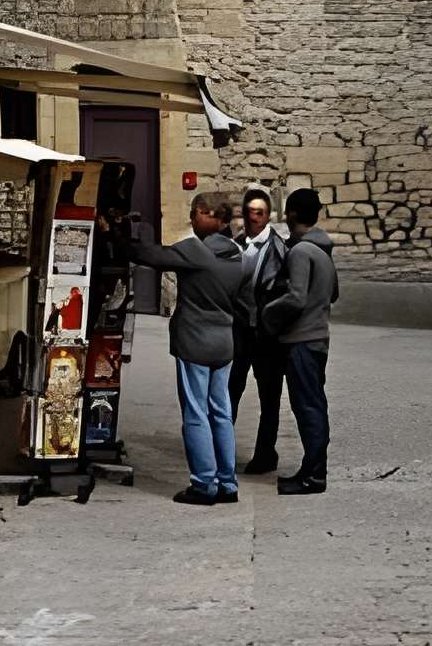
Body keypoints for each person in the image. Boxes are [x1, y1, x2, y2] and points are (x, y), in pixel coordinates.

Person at [130, 194, 243, 507]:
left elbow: (150, 255)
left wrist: (133, 229)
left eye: (195, 214)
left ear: (209, 214)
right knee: (221, 413)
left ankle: (203, 483)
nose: (192, 220)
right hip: (224, 341)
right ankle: (227, 482)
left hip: (195, 341)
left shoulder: (197, 251)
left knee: (195, 412)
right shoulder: (237, 253)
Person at [260, 188, 338, 496]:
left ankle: (314, 476)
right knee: (314, 405)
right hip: (318, 337)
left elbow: (295, 298)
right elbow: (333, 293)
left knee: (307, 407)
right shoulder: (323, 250)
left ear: (291, 214)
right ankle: (312, 469)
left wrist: (268, 312)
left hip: (302, 340)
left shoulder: (302, 252)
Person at [229, 185, 287, 476]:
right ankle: (224, 451)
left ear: (269, 215)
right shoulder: (235, 245)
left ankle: (265, 453)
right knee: (230, 393)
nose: (255, 218)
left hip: (267, 335)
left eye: (260, 212)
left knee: (269, 397)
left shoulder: (281, 249)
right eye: (250, 212)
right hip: (240, 331)